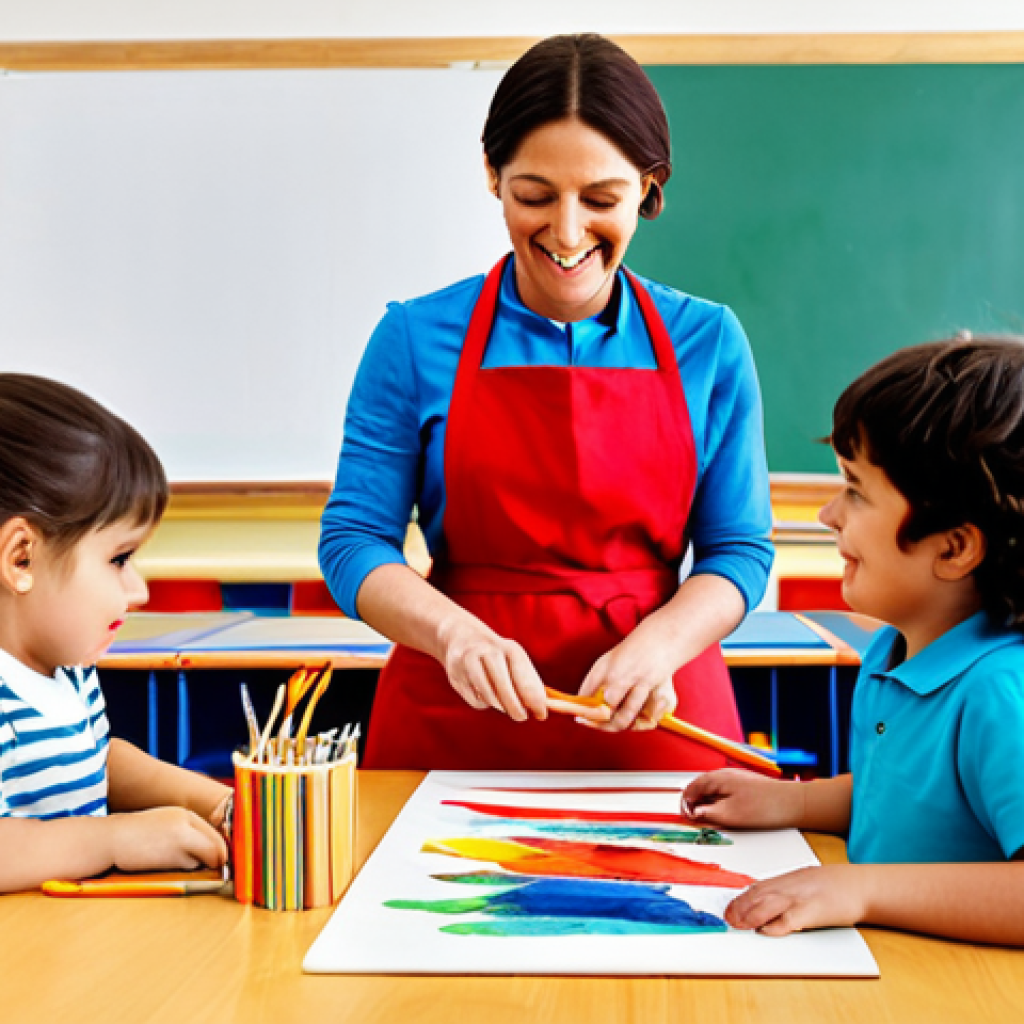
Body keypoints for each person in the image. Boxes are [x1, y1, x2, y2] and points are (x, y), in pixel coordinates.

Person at [319, 34, 773, 770]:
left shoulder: (709, 341)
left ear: (648, 188)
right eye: (535, 195)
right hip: (453, 714)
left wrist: (660, 644)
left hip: (654, 718)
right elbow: (353, 542)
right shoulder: (413, 337)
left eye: (601, 199)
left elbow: (739, 551)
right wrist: (452, 634)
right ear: (493, 176)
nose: (566, 233)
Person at [682, 337, 1024, 946]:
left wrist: (860, 890)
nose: (827, 514)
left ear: (953, 548)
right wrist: (794, 804)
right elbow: (913, 799)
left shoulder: (1000, 693)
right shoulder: (894, 652)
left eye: (857, 491)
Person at [0, 373, 232, 893]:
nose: (140, 589)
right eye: (119, 559)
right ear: (22, 558)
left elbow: (98, 757)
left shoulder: (71, 671)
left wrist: (209, 800)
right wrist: (112, 840)